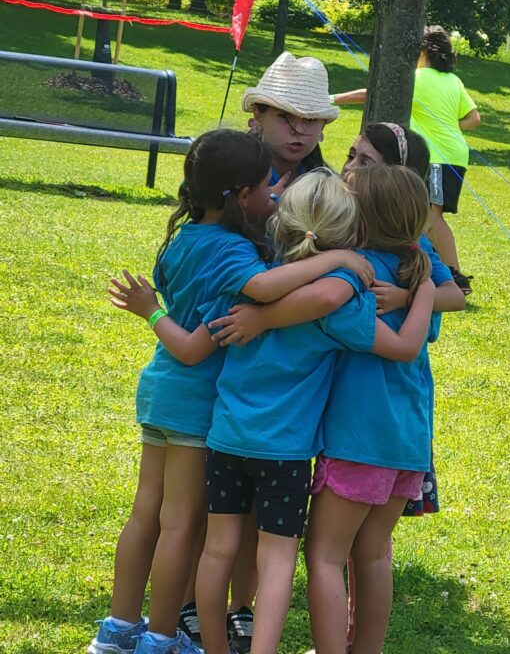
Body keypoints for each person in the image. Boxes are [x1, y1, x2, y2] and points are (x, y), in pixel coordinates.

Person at [95, 130, 370, 654]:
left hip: (159, 392)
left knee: (144, 513)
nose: (273, 197)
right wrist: (338, 259)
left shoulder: (183, 240)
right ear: (241, 194)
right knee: (179, 524)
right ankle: (158, 636)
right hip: (197, 405)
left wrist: (152, 310)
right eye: (268, 188)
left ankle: (117, 628)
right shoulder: (231, 252)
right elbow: (261, 294)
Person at [192, 169, 434, 654]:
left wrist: (260, 317)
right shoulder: (402, 275)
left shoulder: (255, 279)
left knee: (289, 554)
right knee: (361, 555)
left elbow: (297, 299)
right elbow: (405, 337)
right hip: (367, 444)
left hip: (254, 439)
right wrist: (422, 293)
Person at [177, 49, 351, 653]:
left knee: (254, 519)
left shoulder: (328, 187)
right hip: (216, 370)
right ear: (257, 114)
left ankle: (243, 610)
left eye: (314, 120)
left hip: (287, 382)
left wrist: (264, 317)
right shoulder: (225, 170)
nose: (301, 130)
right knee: (201, 504)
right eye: (287, 116)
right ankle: (192, 609)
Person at [305, 164, 437, 654]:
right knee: (374, 554)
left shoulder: (354, 273)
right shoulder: (417, 272)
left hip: (358, 440)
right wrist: (421, 294)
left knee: (324, 556)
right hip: (408, 440)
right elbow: (429, 328)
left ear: (356, 217)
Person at [334, 26, 481, 294]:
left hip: (436, 154)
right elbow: (474, 119)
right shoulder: (453, 81)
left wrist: (334, 98)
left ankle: (455, 275)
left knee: (430, 214)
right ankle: (428, 267)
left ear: (422, 50)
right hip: (456, 154)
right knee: (428, 212)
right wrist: (448, 127)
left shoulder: (416, 77)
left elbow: (369, 94)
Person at [244, 51, 339, 193]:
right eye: (285, 116)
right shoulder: (236, 176)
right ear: (258, 114)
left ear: (323, 125)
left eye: (311, 119)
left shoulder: (328, 190)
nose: (298, 130)